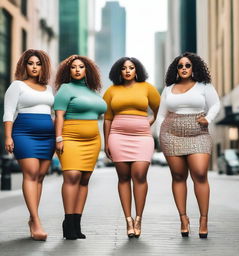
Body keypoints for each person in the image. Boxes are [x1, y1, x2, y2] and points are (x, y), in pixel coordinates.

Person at [157, 52, 220, 239]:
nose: (184, 68)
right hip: (171, 134)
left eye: (188, 65)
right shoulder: (168, 88)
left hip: (198, 133)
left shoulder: (204, 86)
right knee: (178, 176)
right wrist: (160, 133)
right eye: (180, 66)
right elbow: (161, 113)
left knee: (200, 174)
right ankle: (183, 219)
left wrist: (208, 119)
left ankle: (203, 219)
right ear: (176, 69)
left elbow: (216, 104)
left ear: (194, 68)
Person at [103, 57, 160, 238]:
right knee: (124, 177)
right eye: (124, 68)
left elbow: (160, 109)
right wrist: (107, 142)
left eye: (131, 67)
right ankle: (128, 220)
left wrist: (147, 122)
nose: (127, 71)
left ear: (137, 70)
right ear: (118, 72)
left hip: (142, 137)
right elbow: (107, 119)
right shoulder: (111, 91)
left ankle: (138, 218)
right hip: (117, 136)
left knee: (140, 174)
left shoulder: (147, 88)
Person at [3, 49, 55, 241]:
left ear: (43, 67)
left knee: (40, 177)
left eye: (38, 63)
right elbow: (8, 113)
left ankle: (33, 220)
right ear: (24, 65)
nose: (34, 67)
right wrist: (8, 137)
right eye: (31, 63)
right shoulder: (17, 86)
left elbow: (52, 113)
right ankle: (36, 220)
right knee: (31, 173)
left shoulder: (48, 89)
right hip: (24, 133)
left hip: (47, 136)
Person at [54, 55, 107, 240]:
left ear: (87, 70)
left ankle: (77, 223)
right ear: (68, 71)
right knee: (72, 176)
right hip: (70, 137)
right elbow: (59, 115)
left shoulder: (93, 91)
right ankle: (68, 222)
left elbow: (102, 111)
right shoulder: (65, 89)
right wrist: (58, 138)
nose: (77, 70)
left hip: (92, 141)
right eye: (73, 67)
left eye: (81, 67)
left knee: (84, 180)